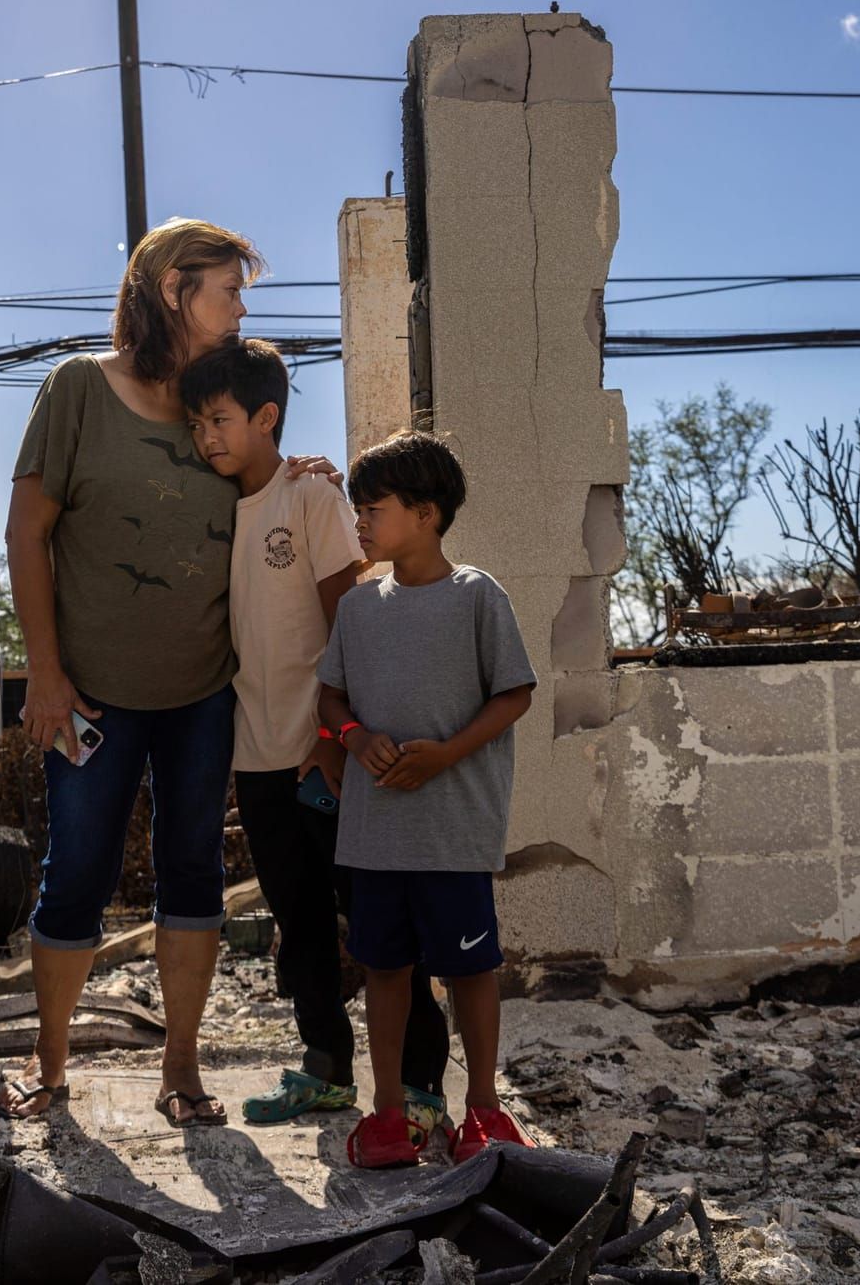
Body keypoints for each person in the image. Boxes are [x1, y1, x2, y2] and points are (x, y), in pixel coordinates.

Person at [0, 219, 331, 1127]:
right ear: (174, 288)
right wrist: (46, 674)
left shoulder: (220, 405)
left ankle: (180, 1069)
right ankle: (51, 1062)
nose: (241, 308)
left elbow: (267, 491)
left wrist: (301, 472)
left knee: (192, 875)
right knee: (76, 877)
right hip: (90, 694)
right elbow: (27, 534)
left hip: (202, 696)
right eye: (229, 288)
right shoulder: (77, 388)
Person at [179, 340, 455, 1143]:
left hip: (321, 751)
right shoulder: (217, 511)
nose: (207, 437)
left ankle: (419, 1082)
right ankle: (326, 1068)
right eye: (197, 424)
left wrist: (336, 741)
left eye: (220, 419)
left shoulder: (311, 499)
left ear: (267, 418)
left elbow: (353, 624)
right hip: (257, 755)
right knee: (297, 925)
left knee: (374, 922)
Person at [317, 430, 539, 1168]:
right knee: (385, 970)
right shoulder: (357, 608)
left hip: (454, 831)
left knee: (471, 969)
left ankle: (483, 1108)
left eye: (372, 508)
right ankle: (387, 1114)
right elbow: (330, 696)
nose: (360, 523)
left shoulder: (477, 595)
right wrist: (352, 736)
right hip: (375, 835)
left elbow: (515, 693)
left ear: (426, 513)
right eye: (358, 509)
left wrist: (447, 753)